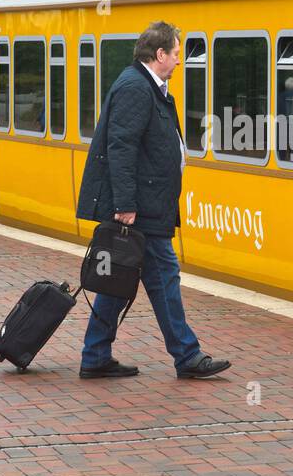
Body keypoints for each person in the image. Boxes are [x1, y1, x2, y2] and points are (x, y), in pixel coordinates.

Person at [74, 21, 232, 380]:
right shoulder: (136, 88)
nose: (179, 61)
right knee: (164, 277)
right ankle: (187, 356)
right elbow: (121, 146)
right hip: (140, 208)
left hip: (149, 203)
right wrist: (126, 204)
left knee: (117, 279)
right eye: (176, 54)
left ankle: (95, 354)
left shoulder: (149, 87)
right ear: (159, 54)